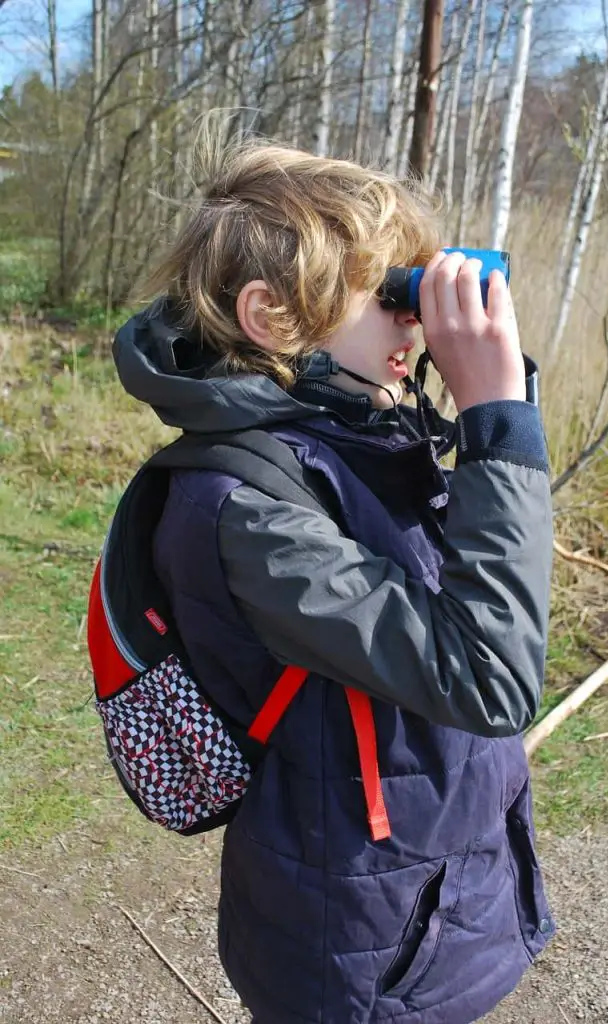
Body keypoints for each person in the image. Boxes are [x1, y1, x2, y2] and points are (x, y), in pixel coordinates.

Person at [113, 122, 554, 1024]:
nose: (414, 315)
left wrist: (483, 413)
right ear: (273, 319)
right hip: (359, 938)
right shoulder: (250, 510)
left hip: (421, 890)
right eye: (390, 292)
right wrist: (497, 421)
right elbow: (491, 677)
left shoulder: (358, 429)